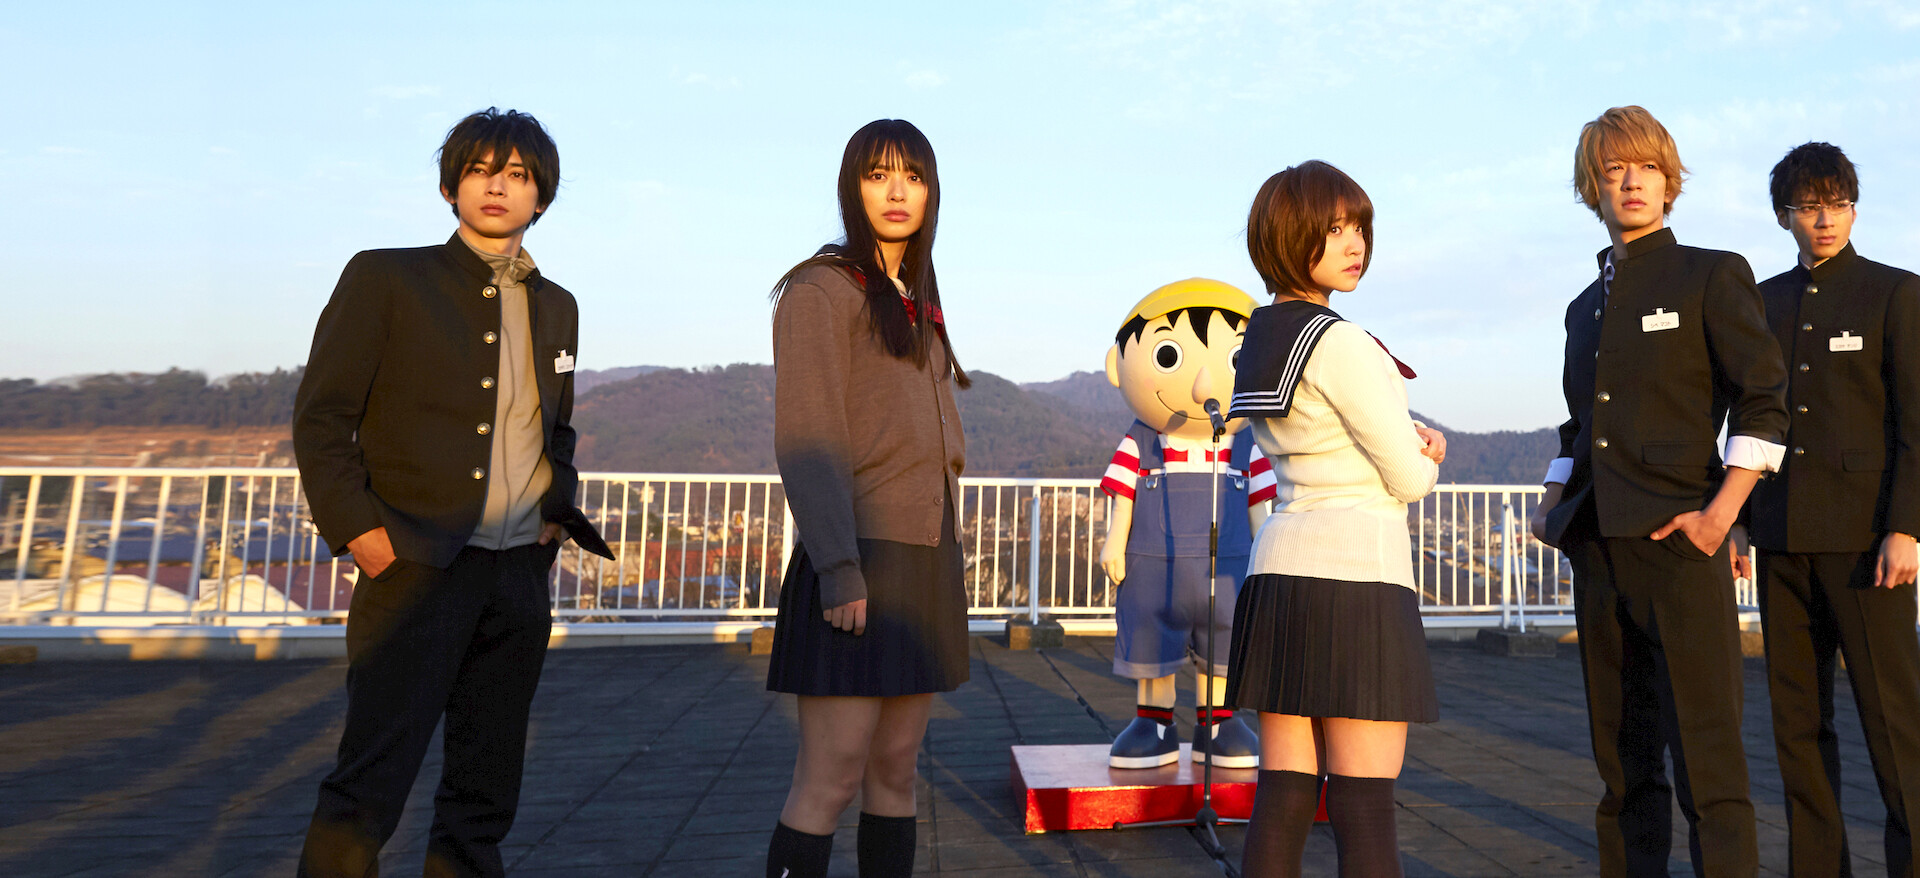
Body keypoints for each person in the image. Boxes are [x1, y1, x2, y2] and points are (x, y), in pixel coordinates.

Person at [291, 107, 612, 877]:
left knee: (485, 786)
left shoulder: (558, 304)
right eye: (480, 171)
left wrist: (553, 517)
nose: (497, 187)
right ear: (450, 187)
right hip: (413, 566)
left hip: (517, 574)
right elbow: (323, 417)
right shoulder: (385, 278)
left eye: (517, 175)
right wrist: (363, 534)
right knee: (370, 779)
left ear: (541, 196)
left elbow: (557, 430)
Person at [1528, 105, 1787, 878]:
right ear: (1593, 187)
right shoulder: (1583, 307)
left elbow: (1764, 399)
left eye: (1646, 166)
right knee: (1623, 766)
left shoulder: (1711, 274)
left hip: (1682, 548)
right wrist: (1551, 498)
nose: (1631, 181)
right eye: (1614, 169)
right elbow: (1580, 423)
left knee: (1710, 764)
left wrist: (1721, 516)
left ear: (1670, 181)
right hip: (1597, 549)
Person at [1225, 159, 1446, 878]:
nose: (1356, 244)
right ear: (1291, 236)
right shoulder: (1341, 341)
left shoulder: (1259, 339)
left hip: (1280, 573)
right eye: (1335, 229)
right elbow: (1405, 478)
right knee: (1364, 805)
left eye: (1360, 228)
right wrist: (1430, 453)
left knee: (1284, 796)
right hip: (1358, 579)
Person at [762, 119, 970, 878]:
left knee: (896, 772)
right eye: (878, 174)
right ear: (852, 187)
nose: (896, 191)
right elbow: (809, 437)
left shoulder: (915, 297)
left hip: (924, 558)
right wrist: (839, 567)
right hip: (859, 557)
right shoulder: (822, 289)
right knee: (831, 777)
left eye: (912, 176)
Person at [1746, 141, 1920, 877]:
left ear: (1854, 208)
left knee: (1896, 724)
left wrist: (1907, 527)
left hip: (1868, 545)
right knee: (1797, 727)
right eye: (1809, 207)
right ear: (1784, 215)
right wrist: (1740, 520)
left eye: (1838, 205)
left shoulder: (1896, 292)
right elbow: (1750, 419)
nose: (1825, 220)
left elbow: (1916, 422)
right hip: (1779, 537)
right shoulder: (1760, 301)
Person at [1097, 278, 1272, 771]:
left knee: (1225, 641)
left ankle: (1218, 723)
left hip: (1229, 569)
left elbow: (1261, 511)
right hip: (1153, 569)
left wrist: (1267, 555)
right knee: (1153, 638)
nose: (1202, 387)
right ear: (1116, 366)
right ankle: (1154, 724)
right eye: (1168, 356)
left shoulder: (1247, 445)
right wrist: (1114, 542)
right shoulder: (1142, 441)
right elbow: (1124, 498)